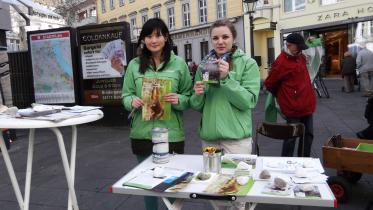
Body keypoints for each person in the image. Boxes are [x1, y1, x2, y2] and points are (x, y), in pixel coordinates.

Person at [121, 18, 192, 210]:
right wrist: (131, 101)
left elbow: (189, 95)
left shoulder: (179, 64)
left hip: (172, 134)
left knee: (173, 184)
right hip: (143, 133)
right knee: (147, 185)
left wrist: (179, 100)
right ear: (143, 39)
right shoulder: (134, 65)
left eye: (158, 35)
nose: (154, 40)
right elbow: (126, 95)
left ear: (166, 37)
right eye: (149, 36)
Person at [190, 18, 260, 210]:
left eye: (225, 37)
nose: (220, 41)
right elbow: (197, 105)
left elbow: (249, 101)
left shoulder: (248, 64)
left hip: (236, 140)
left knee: (237, 193)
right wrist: (197, 94)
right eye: (215, 38)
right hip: (210, 139)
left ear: (234, 38)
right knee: (214, 190)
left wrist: (227, 79)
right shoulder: (205, 65)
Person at [264, 33, 316, 157]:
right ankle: (286, 162)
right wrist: (284, 96)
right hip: (292, 107)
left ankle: (304, 161)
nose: (299, 50)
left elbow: (311, 50)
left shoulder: (300, 56)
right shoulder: (281, 62)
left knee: (308, 135)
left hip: (307, 104)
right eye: (297, 47)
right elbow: (269, 83)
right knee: (291, 137)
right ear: (289, 45)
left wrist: (311, 42)